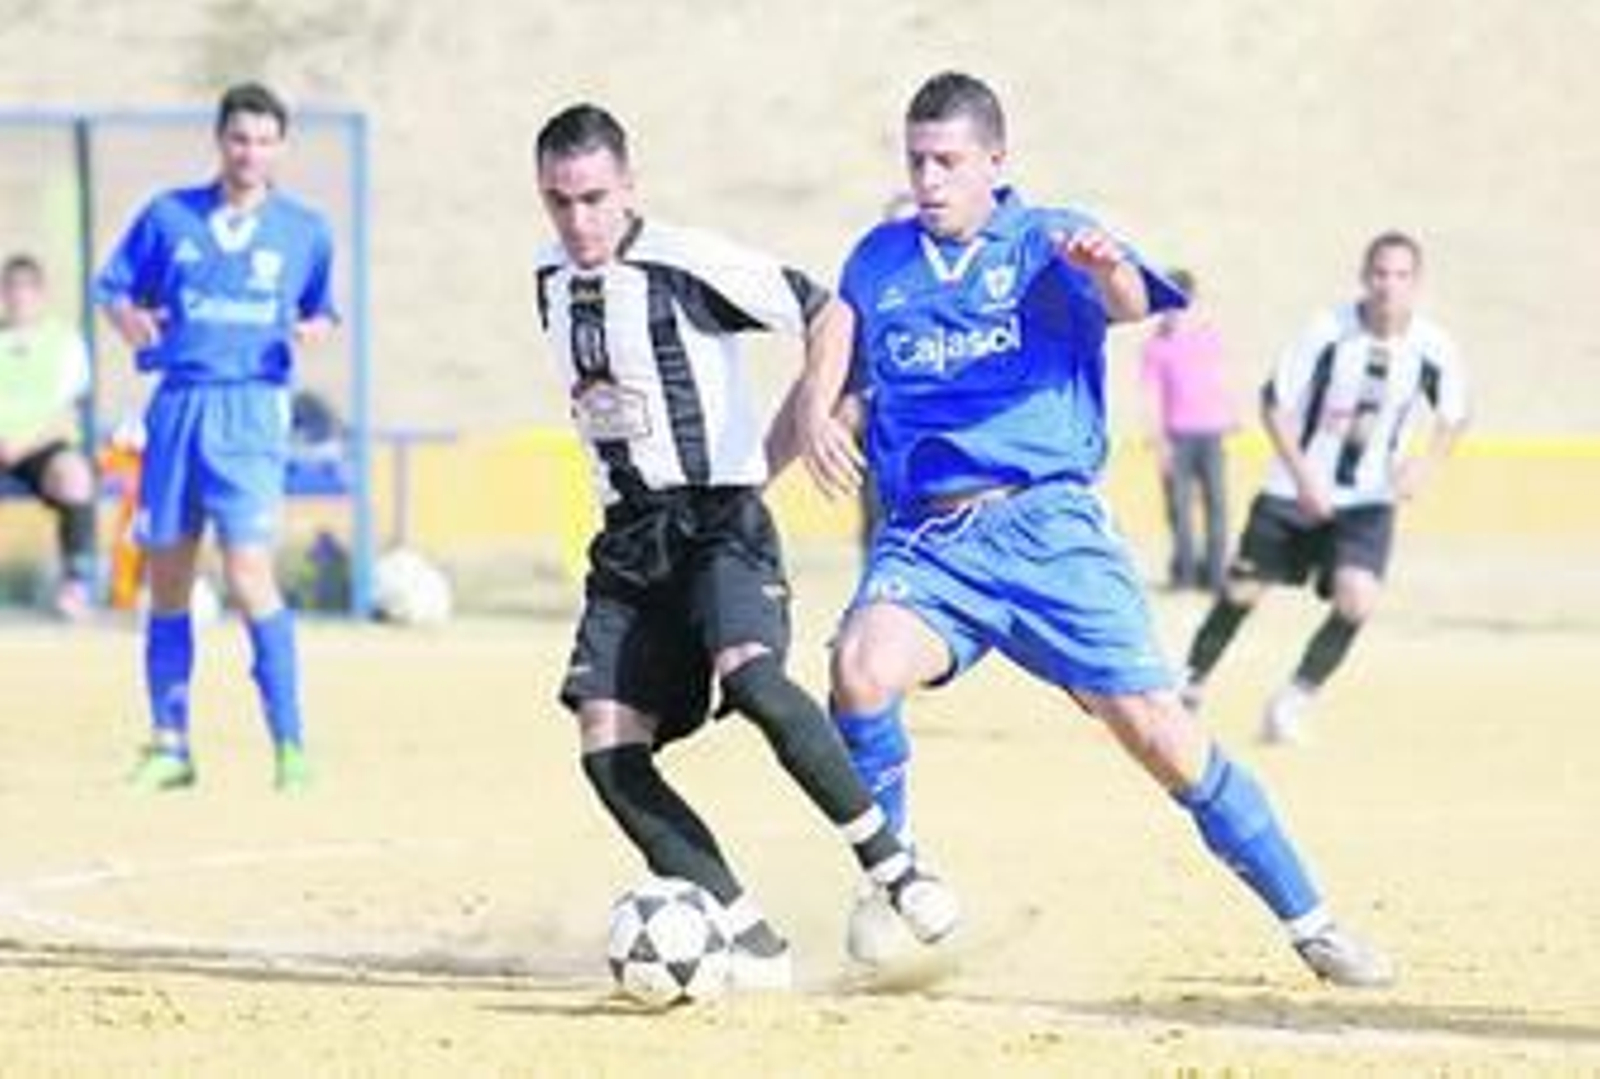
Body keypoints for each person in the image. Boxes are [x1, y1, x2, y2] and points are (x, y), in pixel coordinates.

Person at [789, 71, 1392, 986]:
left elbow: (1129, 303)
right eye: (916, 160)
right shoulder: (878, 259)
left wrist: (1104, 264)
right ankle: (891, 876)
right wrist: (816, 416)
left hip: (1049, 531)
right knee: (858, 669)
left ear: (997, 160)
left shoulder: (1045, 239)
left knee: (1159, 732)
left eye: (948, 161)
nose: (929, 179)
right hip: (929, 542)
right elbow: (833, 343)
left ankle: (1312, 919)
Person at [529, 103, 958, 990]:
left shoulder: (686, 263)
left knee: (756, 679)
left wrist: (810, 413)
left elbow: (828, 311)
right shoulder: (548, 280)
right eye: (559, 201)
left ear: (629, 187)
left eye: (594, 198)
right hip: (629, 542)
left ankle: (896, 868)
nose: (578, 220)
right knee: (606, 750)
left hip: (719, 520)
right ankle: (747, 934)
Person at [94, 83, 338, 792]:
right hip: (178, 405)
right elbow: (113, 289)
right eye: (240, 138)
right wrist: (130, 322)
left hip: (252, 411)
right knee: (167, 577)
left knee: (247, 571)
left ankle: (290, 745)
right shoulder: (170, 216)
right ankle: (171, 744)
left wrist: (311, 332)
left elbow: (324, 312)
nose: (250, 153)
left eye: (264, 140)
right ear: (220, 141)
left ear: (281, 147)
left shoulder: (304, 230)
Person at [1182, 231, 1468, 744]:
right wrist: (1302, 475)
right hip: (1294, 491)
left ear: (1417, 284)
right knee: (1242, 592)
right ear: (1365, 277)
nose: (1388, 286)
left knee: (1358, 599)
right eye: (1380, 273)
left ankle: (1292, 702)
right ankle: (1190, 686)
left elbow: (1455, 414)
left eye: (1401, 276)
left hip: (1367, 499)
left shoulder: (1432, 347)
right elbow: (1274, 403)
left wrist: (1426, 465)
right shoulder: (1328, 331)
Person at [0, 254, 97, 620]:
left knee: (74, 475)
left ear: (40, 295)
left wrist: (23, 444)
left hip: (41, 446)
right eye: (10, 289)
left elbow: (68, 411)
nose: (18, 298)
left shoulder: (65, 342)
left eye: (26, 290)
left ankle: (76, 584)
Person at [1139, 268, 1235, 593]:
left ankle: (1217, 574)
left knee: (1217, 506)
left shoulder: (1209, 337)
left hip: (1212, 433)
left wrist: (1229, 416)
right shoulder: (1155, 348)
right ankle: (1184, 576)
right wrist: (1159, 442)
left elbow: (1219, 380)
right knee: (1179, 509)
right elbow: (1151, 398)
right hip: (1176, 438)